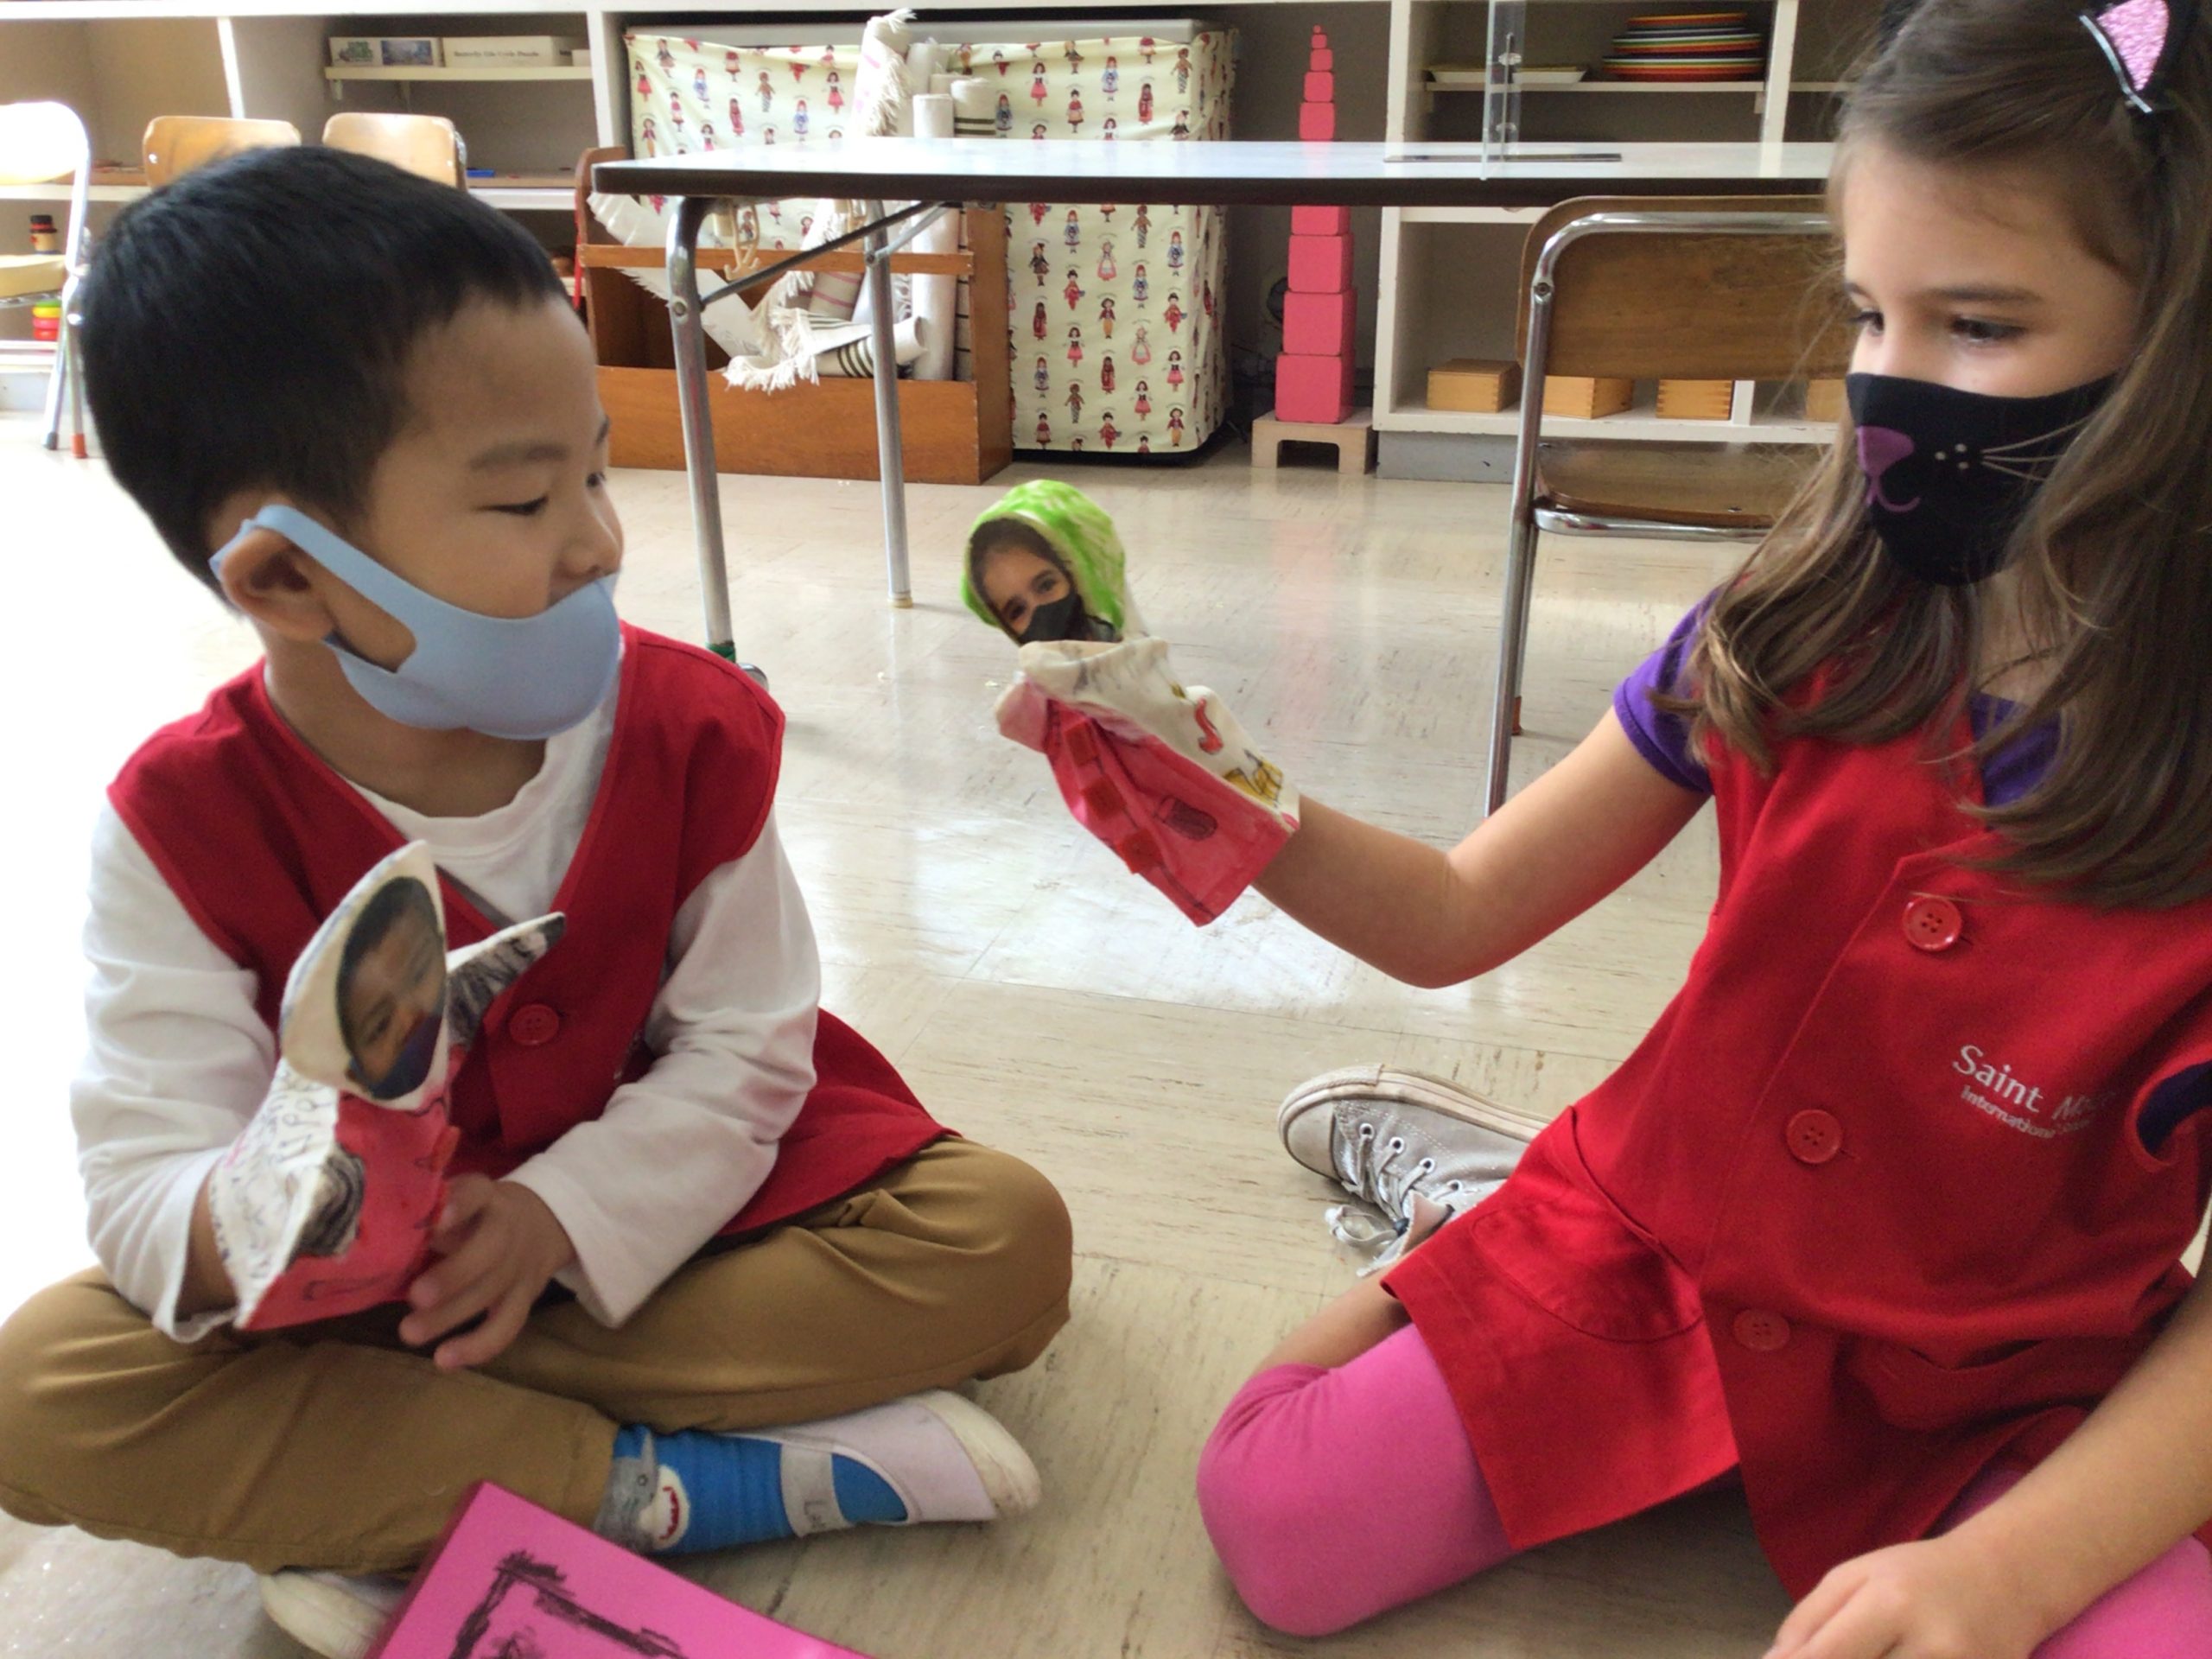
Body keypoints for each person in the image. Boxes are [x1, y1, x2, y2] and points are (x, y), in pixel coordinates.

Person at [1015, 0, 2212, 1651]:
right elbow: (1456, 913)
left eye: (1981, 325)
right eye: (1870, 313)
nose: (1889, 385)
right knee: (1279, 1515)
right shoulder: (1794, 626)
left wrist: (2011, 1569)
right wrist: (1204, 782)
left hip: (1999, 1377)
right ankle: (1478, 1200)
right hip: (1658, 1254)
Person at [0, 148, 1072, 1658]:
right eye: (523, 498)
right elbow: (140, 1188)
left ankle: (391, 1479)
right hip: (371, 1293)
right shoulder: (178, 823)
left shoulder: (687, 729)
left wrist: (558, 1221)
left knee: (999, 1239)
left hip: (672, 1215)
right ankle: (654, 1487)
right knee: (42, 1392)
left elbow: (751, 1048)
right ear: (285, 579)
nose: (598, 541)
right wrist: (263, 1211)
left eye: (597, 473)